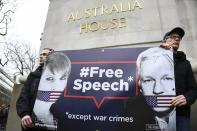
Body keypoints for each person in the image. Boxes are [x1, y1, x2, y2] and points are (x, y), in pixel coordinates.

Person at [117, 47, 176, 131]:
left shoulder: (183, 109)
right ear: (140, 85)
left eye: (166, 78)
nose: (157, 90)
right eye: (148, 80)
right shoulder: (132, 110)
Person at [161, 27, 197, 131]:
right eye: (172, 37)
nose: (176, 39)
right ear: (165, 41)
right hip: (160, 113)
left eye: (178, 38)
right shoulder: (156, 58)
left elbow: (193, 89)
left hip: (181, 114)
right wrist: (160, 52)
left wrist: (186, 98)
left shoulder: (185, 63)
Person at [16, 48, 54, 131]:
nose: (41, 57)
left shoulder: (58, 75)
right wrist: (24, 114)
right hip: (31, 124)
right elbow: (23, 95)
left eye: (44, 55)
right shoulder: (33, 75)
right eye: (41, 55)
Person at [33, 52, 71, 130]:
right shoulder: (30, 111)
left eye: (62, 78)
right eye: (50, 78)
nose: (57, 87)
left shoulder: (58, 113)